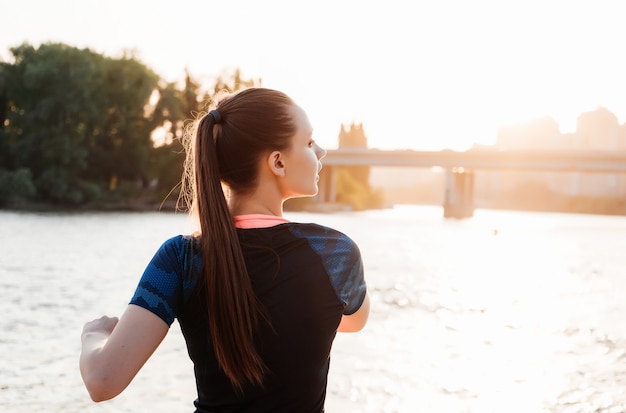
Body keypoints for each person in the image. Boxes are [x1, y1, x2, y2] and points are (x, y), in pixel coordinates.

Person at [79, 87, 370, 412]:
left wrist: (92, 335)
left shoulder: (181, 259)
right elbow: (352, 320)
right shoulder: (333, 253)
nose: (322, 152)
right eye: (309, 142)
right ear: (277, 162)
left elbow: (102, 381)